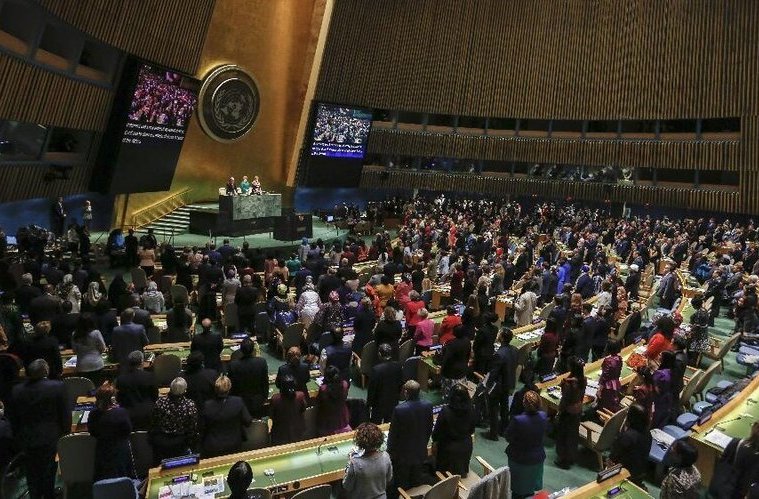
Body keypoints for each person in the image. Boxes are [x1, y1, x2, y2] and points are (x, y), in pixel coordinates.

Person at [7, 359, 71, 499]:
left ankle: (35, 495)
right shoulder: (58, 386)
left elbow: (13, 417)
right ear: (46, 371)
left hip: (26, 438)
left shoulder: (17, 390)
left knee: (31, 472)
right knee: (49, 471)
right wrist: (66, 432)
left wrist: (17, 437)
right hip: (51, 437)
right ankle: (48, 495)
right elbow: (65, 413)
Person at [387, 380, 434, 497]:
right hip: (420, 450)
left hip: (402, 456)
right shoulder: (428, 405)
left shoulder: (399, 409)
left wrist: (390, 451)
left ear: (406, 392)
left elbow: (393, 434)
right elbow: (429, 427)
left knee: (401, 483)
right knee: (416, 480)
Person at [505, 391, 548, 499]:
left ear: (524, 403)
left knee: (517, 490)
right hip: (537, 458)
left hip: (519, 458)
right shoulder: (543, 416)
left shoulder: (518, 420)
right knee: (530, 489)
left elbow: (508, 437)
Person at [88, 382, 133, 480]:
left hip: (102, 451)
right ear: (112, 399)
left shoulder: (93, 414)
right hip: (121, 451)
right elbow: (128, 430)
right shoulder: (121, 412)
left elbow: (92, 432)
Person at [200, 375, 253, 458]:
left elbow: (202, 427)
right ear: (229, 387)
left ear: (215, 389)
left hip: (213, 446)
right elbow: (248, 421)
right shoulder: (238, 401)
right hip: (234, 444)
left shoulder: (207, 405)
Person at [150, 377, 198, 463]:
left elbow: (154, 422)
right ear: (185, 391)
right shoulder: (190, 405)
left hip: (162, 443)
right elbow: (192, 428)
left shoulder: (160, 403)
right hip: (181, 444)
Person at [432, 383, 476, 476]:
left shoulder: (445, 410)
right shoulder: (472, 409)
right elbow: (472, 430)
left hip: (448, 448)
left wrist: (435, 441)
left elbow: (436, 432)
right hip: (465, 446)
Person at [342, 422, 393, 499]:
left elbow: (347, 486)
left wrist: (349, 462)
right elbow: (389, 478)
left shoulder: (355, 463)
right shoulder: (386, 456)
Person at [486, 327, 518, 440]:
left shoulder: (499, 354)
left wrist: (487, 386)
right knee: (505, 407)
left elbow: (493, 373)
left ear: (502, 338)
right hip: (509, 383)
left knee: (494, 409)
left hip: (498, 386)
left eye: (499, 334)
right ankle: (504, 430)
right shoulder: (514, 350)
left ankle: (493, 433)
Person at [554, 356, 586, 469]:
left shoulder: (569, 384)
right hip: (578, 409)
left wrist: (559, 411)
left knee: (564, 435)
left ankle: (564, 460)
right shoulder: (583, 380)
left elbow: (565, 400)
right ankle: (571, 456)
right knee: (573, 434)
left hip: (568, 411)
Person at [608, 404, 651, 486]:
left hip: (624, 476)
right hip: (639, 475)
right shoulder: (648, 434)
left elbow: (613, 457)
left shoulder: (627, 436)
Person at [115, 351, 158, 430]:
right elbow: (155, 396)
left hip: (128, 416)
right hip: (148, 414)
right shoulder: (150, 376)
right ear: (142, 362)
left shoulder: (121, 379)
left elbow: (119, 399)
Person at [228, 338, 269, 418]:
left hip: (240, 401)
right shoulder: (262, 362)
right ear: (253, 350)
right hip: (258, 400)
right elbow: (265, 382)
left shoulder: (233, 365)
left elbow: (232, 386)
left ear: (241, 350)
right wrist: (264, 397)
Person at [367, 343, 403, 424]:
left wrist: (369, 404)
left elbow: (372, 389)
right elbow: (400, 383)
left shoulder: (376, 369)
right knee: (389, 423)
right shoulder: (398, 366)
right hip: (393, 400)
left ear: (379, 354)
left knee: (375, 424)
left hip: (378, 403)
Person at [269, 374, 307, 445]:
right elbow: (303, 409)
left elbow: (271, 415)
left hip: (280, 435)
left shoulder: (275, 399)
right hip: (298, 433)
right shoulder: (301, 396)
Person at [71, 313, 106, 385]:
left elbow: (74, 351)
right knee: (97, 387)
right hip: (97, 364)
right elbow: (103, 348)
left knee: (84, 388)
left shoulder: (74, 334)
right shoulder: (96, 333)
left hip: (82, 366)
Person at [316, 365, 350, 436]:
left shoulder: (323, 389)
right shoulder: (345, 384)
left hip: (327, 419)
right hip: (342, 416)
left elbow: (319, 402)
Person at [440, 325, 471, 401]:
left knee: (449, 394)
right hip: (462, 369)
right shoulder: (467, 341)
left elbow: (446, 358)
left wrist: (442, 369)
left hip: (451, 372)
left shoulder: (451, 344)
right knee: (460, 392)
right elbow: (468, 355)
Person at [595, 340, 622, 414]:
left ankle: (601, 416)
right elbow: (618, 372)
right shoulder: (619, 358)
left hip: (607, 386)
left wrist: (599, 389)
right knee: (612, 402)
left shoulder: (608, 360)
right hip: (616, 383)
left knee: (604, 404)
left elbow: (604, 376)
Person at [652, 350, 675, 428]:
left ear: (665, 359)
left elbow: (656, 390)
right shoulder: (672, 370)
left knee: (657, 420)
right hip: (669, 398)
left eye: (660, 355)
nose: (659, 356)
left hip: (659, 400)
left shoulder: (660, 374)